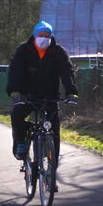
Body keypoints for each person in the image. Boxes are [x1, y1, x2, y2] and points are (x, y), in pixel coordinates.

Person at [6, 21, 78, 163]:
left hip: (50, 96)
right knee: (17, 114)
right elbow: (15, 71)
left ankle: (52, 174)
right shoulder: (23, 50)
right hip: (27, 95)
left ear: (51, 37)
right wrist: (14, 90)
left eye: (47, 35)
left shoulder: (58, 52)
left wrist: (71, 92)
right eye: (41, 35)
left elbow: (66, 72)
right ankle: (21, 142)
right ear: (35, 35)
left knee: (54, 131)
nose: (44, 38)